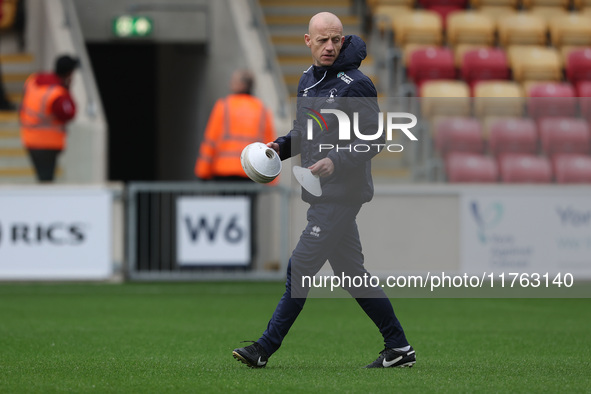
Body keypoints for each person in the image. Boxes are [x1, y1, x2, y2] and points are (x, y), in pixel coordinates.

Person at [232, 12, 415, 369]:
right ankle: (399, 347)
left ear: (342, 40)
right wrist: (278, 149)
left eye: (336, 40)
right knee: (352, 274)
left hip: (342, 193)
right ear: (307, 41)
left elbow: (376, 137)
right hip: (320, 192)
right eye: (322, 40)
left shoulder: (356, 83)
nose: (330, 46)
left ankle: (263, 349)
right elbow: (304, 132)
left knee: (299, 266)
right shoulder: (306, 81)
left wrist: (337, 160)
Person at [194, 69, 276, 181]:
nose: (230, 83)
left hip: (223, 170)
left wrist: (202, 172)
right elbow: (269, 143)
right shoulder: (261, 109)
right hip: (251, 170)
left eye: (234, 81)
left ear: (242, 85)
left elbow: (210, 140)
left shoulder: (223, 105)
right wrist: (271, 176)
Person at [19, 54, 79, 182]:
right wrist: (67, 90)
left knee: (43, 178)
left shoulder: (34, 81)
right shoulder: (58, 93)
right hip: (46, 142)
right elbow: (68, 113)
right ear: (68, 73)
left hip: (30, 137)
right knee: (46, 181)